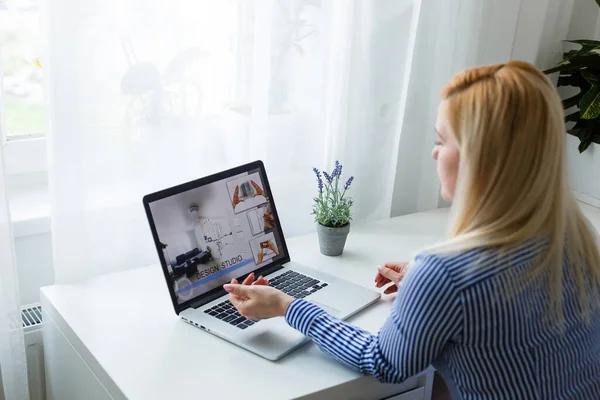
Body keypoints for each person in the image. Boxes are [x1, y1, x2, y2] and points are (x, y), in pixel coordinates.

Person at [222, 61, 600, 399]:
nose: (435, 153)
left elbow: (385, 363)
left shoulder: (444, 274)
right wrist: (426, 292)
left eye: (442, 140)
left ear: (481, 159)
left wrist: (287, 306)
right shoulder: (578, 238)